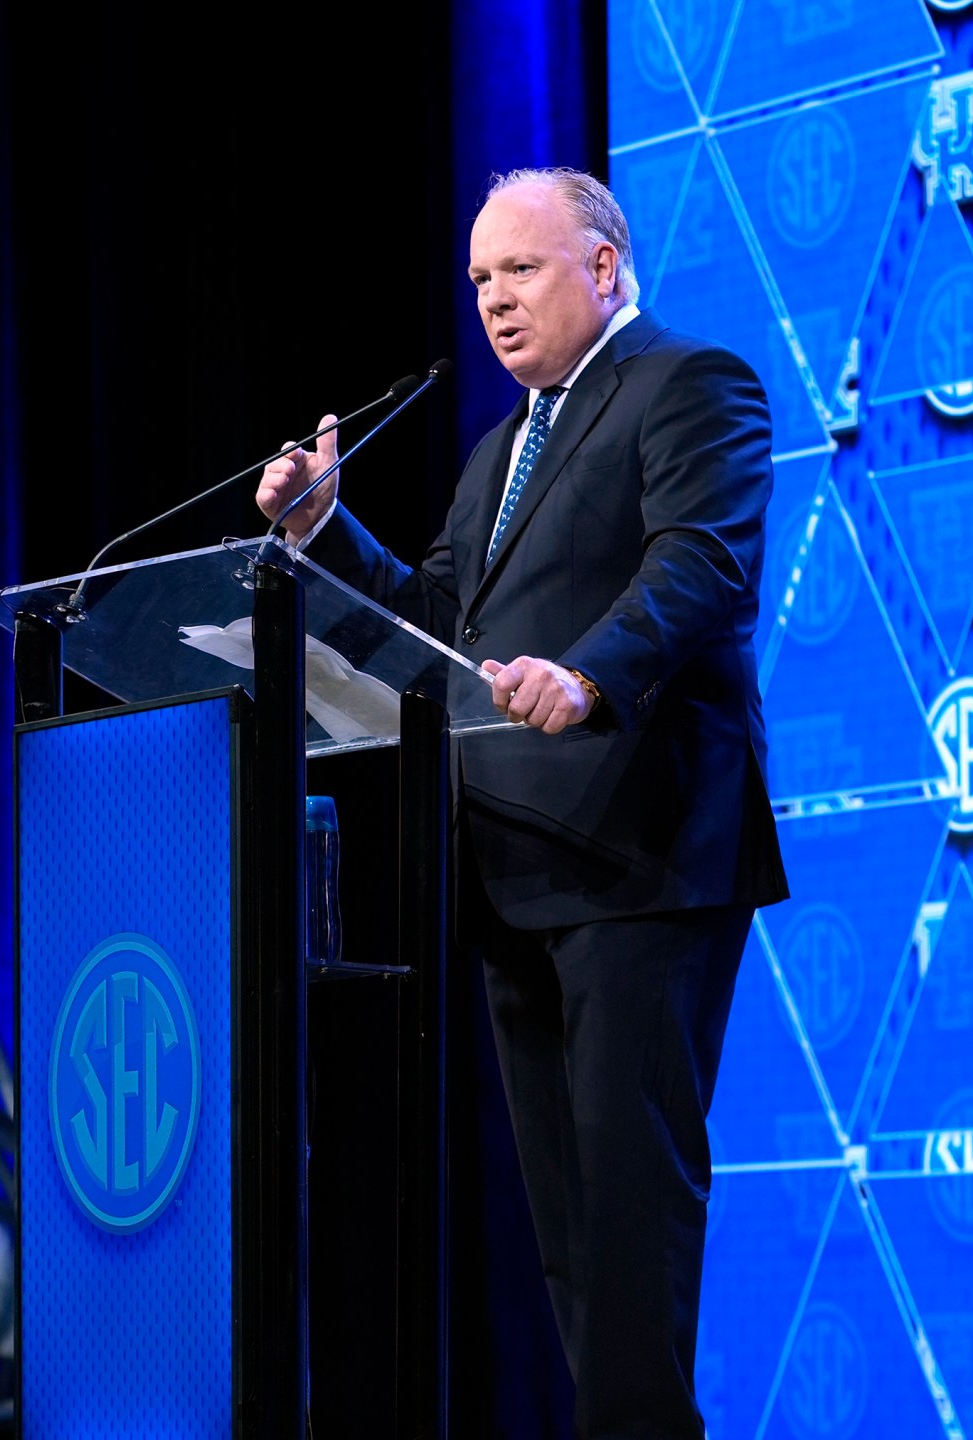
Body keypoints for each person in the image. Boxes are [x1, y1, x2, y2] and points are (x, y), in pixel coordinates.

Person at [255, 167, 786, 1438]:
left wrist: (589, 672)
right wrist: (330, 530)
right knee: (566, 1227)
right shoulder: (500, 449)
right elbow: (444, 622)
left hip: (643, 851)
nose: (493, 300)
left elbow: (701, 564)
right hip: (513, 860)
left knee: (629, 1215)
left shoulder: (689, 383)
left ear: (602, 267)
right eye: (480, 278)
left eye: (522, 270)